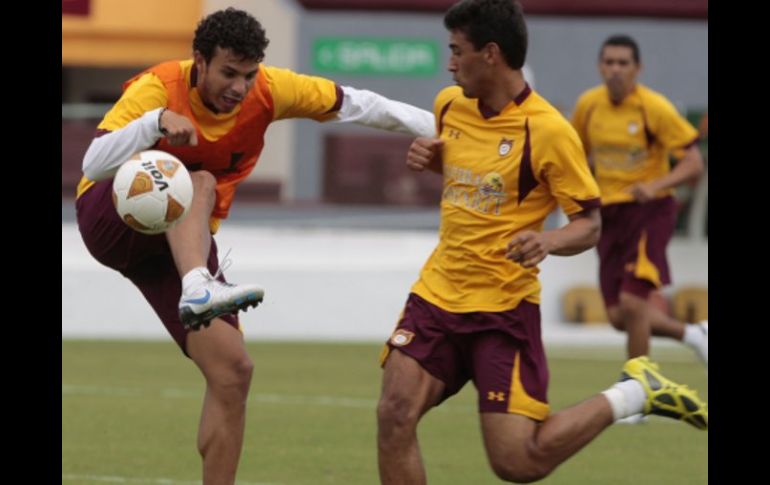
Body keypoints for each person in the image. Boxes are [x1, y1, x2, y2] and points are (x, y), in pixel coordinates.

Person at [75, 8, 434, 484]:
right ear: (198, 62)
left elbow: (358, 104)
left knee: (233, 372)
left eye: (247, 75)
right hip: (109, 219)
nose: (239, 88)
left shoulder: (270, 90)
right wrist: (155, 123)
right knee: (198, 180)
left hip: (177, 242)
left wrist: (449, 128)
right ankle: (198, 285)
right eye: (227, 73)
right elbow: (94, 161)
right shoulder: (159, 87)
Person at [376, 2, 708, 483]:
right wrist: (432, 161)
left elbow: (588, 224)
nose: (449, 63)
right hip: (437, 296)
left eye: (456, 51)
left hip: (503, 310)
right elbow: (474, 175)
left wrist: (548, 240)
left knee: (517, 462)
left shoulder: (550, 130)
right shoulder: (449, 105)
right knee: (393, 413)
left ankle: (634, 394)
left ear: (490, 54)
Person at [571, 34, 707, 367]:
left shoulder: (654, 107)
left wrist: (656, 184)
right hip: (608, 214)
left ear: (638, 68)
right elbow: (576, 155)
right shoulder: (589, 105)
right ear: (600, 66)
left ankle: (638, 389)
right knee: (620, 315)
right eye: (609, 62)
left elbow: (693, 163)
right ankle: (693, 335)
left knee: (633, 304)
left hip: (650, 211)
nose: (615, 70)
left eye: (623, 63)